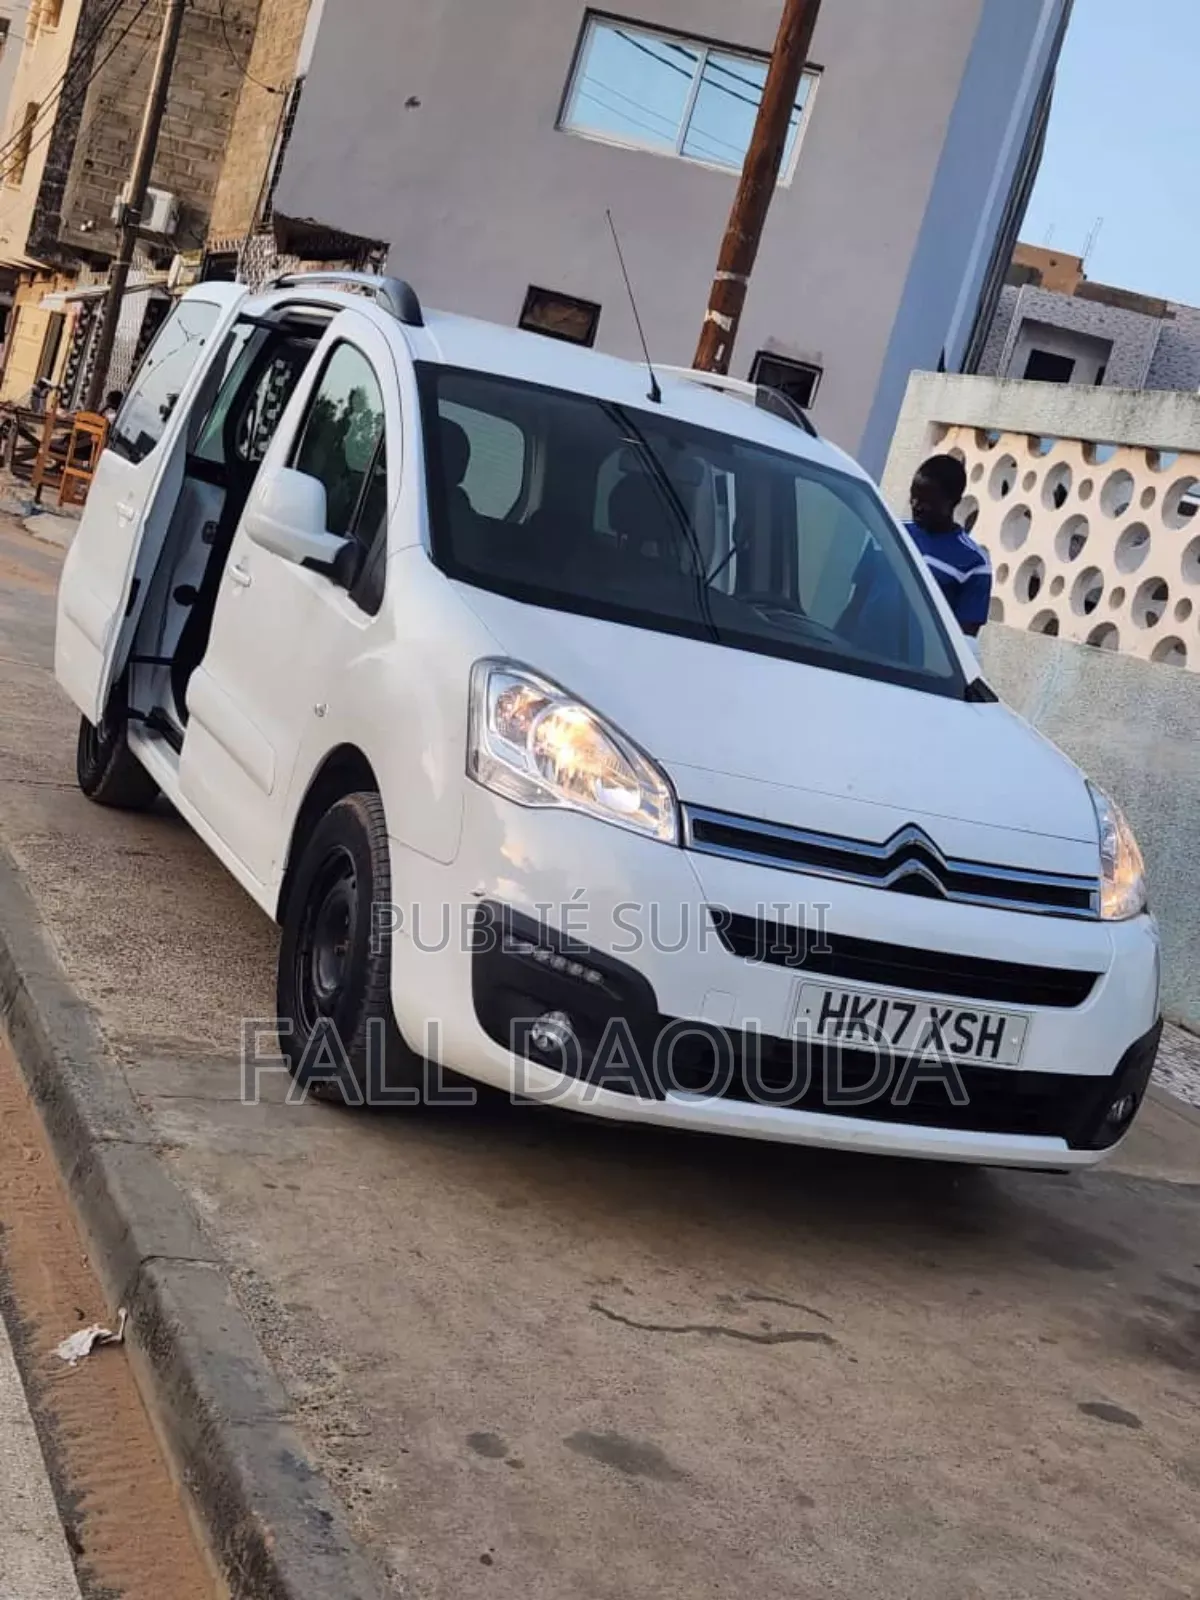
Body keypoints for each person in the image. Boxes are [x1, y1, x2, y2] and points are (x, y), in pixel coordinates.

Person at [905, 454, 992, 638]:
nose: (916, 506)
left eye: (927, 501)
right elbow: (858, 599)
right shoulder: (892, 533)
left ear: (953, 502)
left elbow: (964, 638)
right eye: (913, 497)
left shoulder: (974, 563)